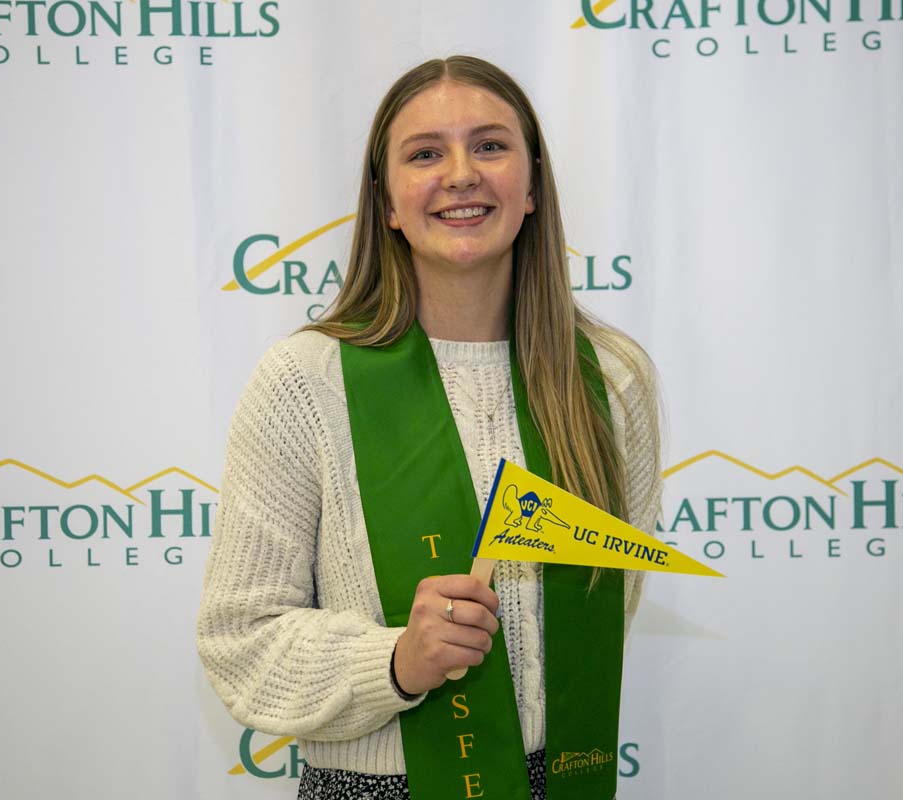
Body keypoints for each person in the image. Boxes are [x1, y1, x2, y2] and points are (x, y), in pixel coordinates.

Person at [197, 55, 662, 800]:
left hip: (566, 780)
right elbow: (240, 640)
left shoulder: (610, 380)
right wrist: (394, 661)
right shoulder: (305, 381)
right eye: (424, 153)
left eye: (489, 145)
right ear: (386, 202)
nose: (461, 174)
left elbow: (613, 597)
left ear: (533, 183)